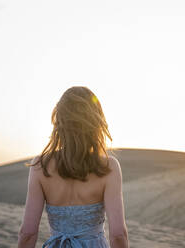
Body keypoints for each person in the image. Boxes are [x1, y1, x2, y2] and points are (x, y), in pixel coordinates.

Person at [17, 86, 129, 248]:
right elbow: (119, 235)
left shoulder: (40, 166)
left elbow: (27, 233)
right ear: (96, 122)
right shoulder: (108, 167)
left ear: (59, 121)